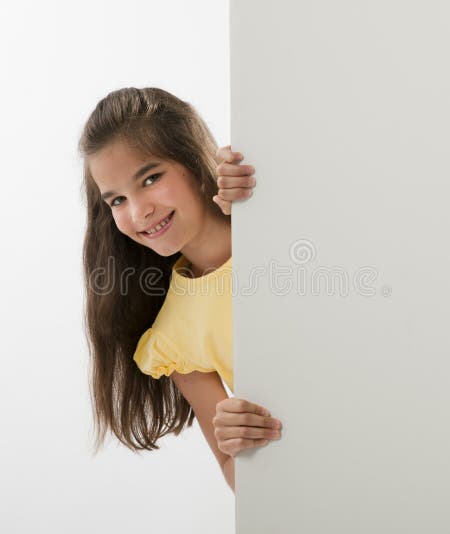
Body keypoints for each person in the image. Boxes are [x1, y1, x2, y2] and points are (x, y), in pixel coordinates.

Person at [78, 87, 283, 492]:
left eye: (150, 178)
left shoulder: (270, 212)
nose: (138, 212)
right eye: (117, 200)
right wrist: (236, 442)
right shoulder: (175, 335)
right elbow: (234, 471)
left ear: (192, 159)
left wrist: (266, 182)